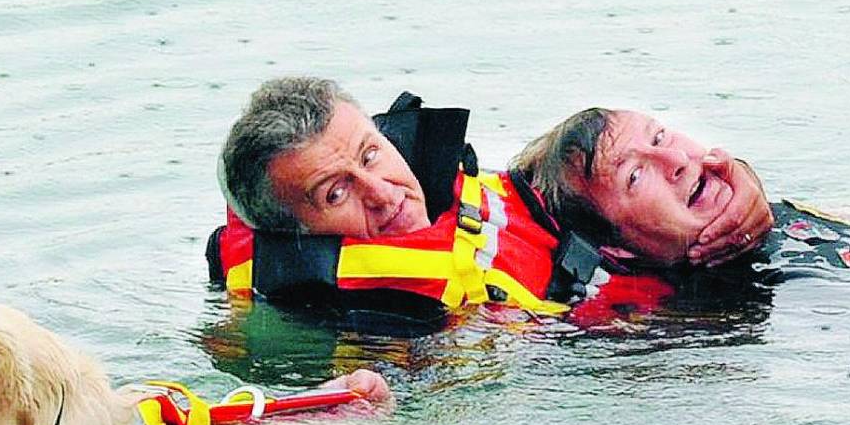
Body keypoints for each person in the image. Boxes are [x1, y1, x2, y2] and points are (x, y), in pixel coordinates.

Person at [211, 77, 774, 321]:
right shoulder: (360, 319)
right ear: (297, 234)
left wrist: (743, 188)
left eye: (371, 154)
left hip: (737, 272)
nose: (384, 194)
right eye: (336, 193)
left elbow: (609, 160)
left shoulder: (493, 186)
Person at [512, 107, 850, 279]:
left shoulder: (778, 217)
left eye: (659, 136)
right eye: (635, 175)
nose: (675, 158)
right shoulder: (672, 324)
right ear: (615, 248)